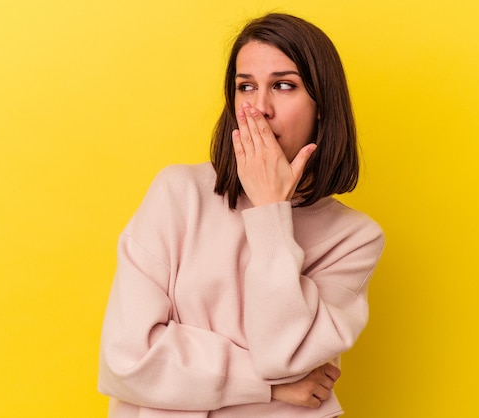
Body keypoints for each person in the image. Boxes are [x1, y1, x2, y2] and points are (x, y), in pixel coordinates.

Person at [98, 12, 385, 417]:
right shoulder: (178, 194)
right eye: (245, 87)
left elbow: (282, 357)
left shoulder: (355, 239)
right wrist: (271, 388)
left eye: (284, 86)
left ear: (323, 107)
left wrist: (271, 212)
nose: (259, 108)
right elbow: (127, 361)